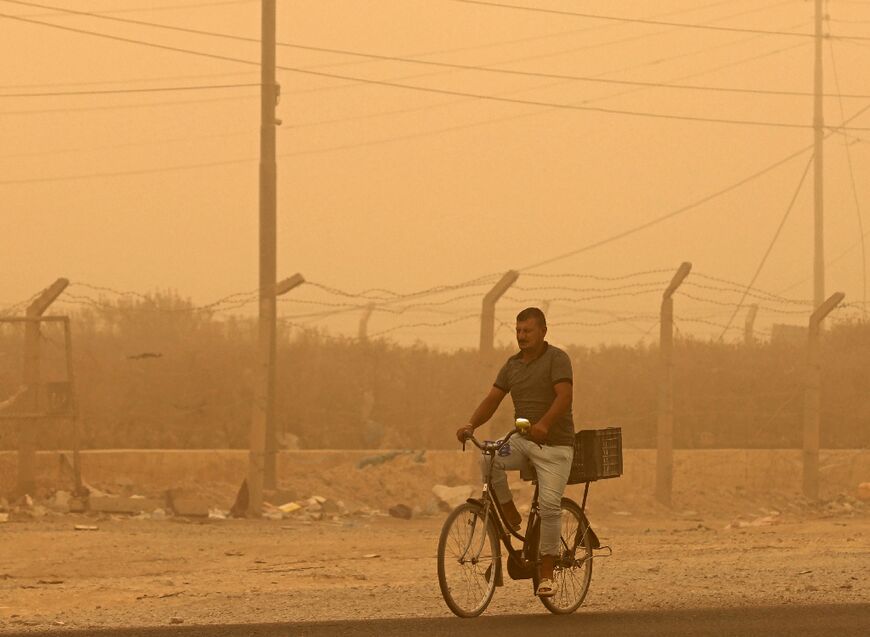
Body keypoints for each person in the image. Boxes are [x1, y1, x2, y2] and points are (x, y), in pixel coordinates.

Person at [456, 307, 574, 598]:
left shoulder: (557, 359)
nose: (521, 336)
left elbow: (565, 396)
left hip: (555, 446)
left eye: (527, 331)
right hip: (521, 442)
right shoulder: (512, 366)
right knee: (488, 455)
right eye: (518, 331)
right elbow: (492, 399)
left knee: (548, 506)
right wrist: (471, 425)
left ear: (543, 331)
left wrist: (545, 424)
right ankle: (509, 513)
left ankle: (547, 573)